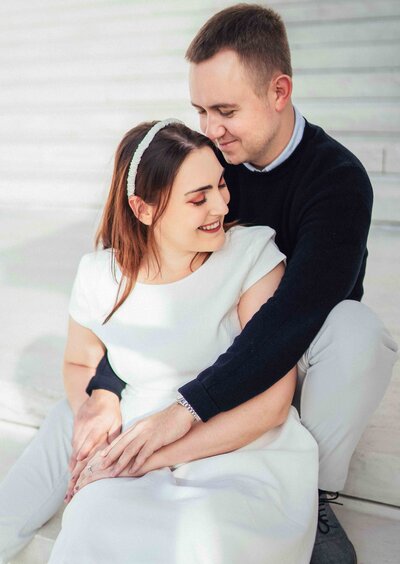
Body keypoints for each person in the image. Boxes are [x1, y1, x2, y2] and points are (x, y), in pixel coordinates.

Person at [79, 4, 398, 564]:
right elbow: (157, 276)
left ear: (279, 92)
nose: (210, 128)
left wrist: (186, 409)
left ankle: (314, 492)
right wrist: (107, 382)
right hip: (218, 349)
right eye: (200, 109)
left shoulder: (339, 180)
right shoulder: (211, 169)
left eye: (226, 110)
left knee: (357, 330)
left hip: (300, 355)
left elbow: (294, 313)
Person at [1, 118, 319, 563]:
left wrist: (149, 457)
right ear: (144, 208)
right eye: (198, 198)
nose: (220, 207)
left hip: (241, 454)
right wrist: (100, 402)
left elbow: (272, 401)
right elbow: (79, 363)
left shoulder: (251, 257)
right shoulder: (99, 276)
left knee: (198, 543)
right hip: (138, 448)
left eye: (221, 185)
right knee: (90, 518)